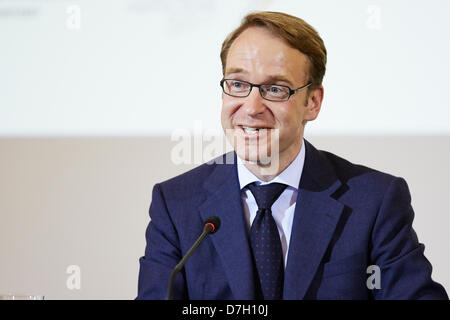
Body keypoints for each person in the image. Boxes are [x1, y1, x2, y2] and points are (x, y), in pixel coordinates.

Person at [136, 11, 448, 300]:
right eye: (238, 84)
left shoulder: (374, 201)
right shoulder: (176, 204)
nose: (252, 107)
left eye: (275, 89)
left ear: (313, 101)